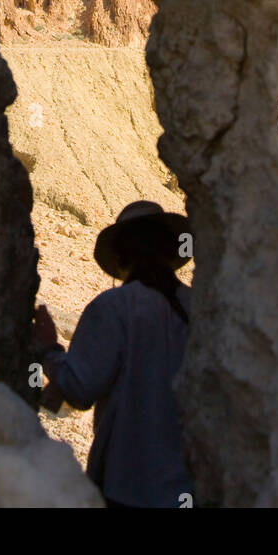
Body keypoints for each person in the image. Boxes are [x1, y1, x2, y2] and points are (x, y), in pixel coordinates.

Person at [33, 199, 194, 508]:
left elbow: (80, 388)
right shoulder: (200, 307)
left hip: (128, 488)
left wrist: (49, 350)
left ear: (120, 258)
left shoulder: (115, 307)